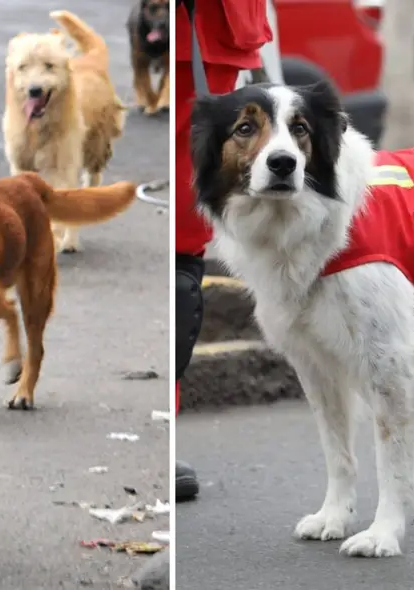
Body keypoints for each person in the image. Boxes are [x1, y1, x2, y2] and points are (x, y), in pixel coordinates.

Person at [173, 0, 272, 502]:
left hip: (214, 32)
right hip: (186, 32)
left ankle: (166, 430)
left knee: (184, 248)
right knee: (177, 253)